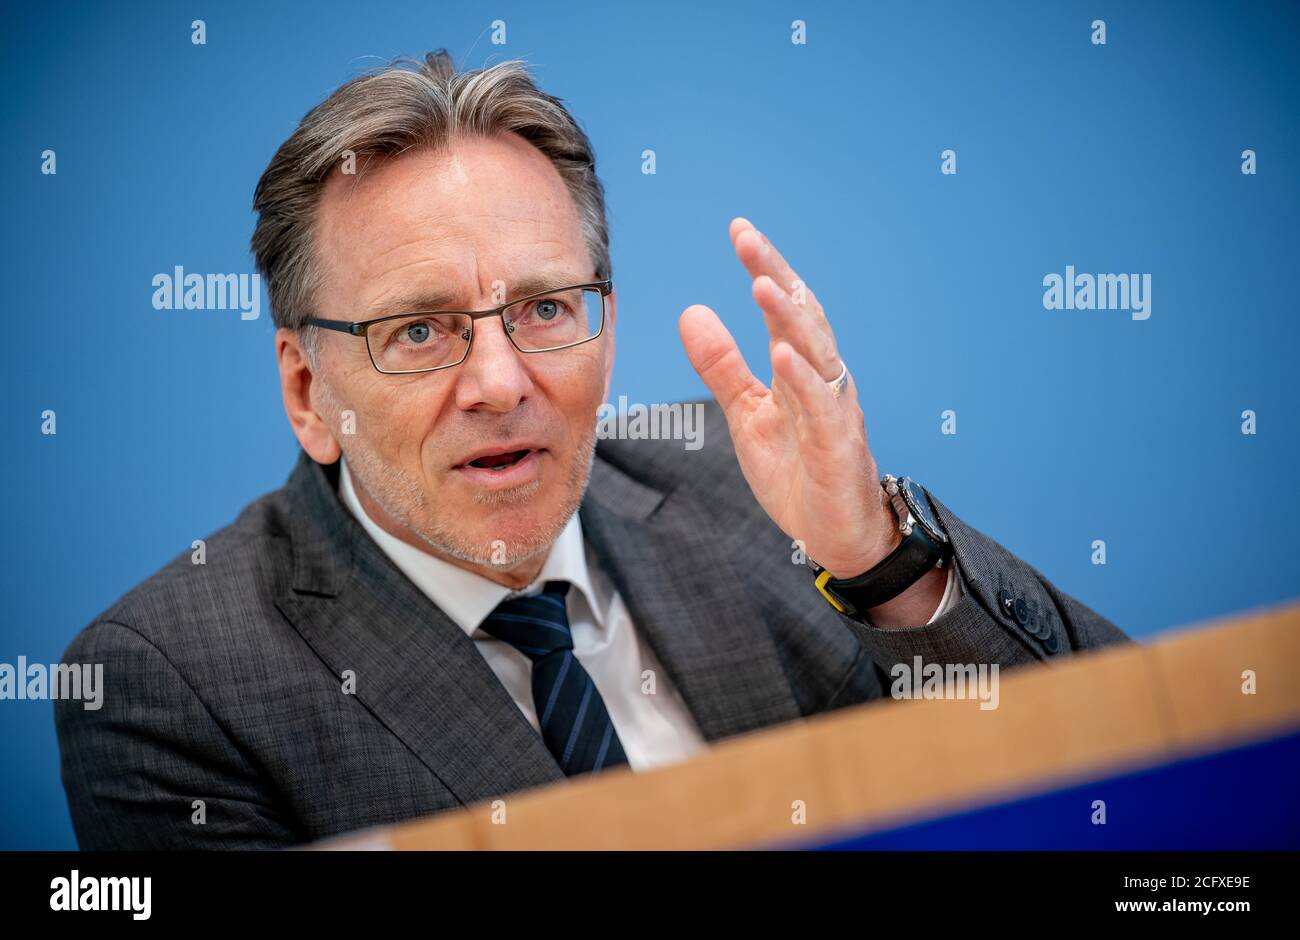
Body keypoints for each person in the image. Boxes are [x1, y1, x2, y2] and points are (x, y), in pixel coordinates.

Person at [55, 50, 1127, 849]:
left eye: (545, 307)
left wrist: (878, 559)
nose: (500, 382)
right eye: (418, 330)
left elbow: (1132, 783)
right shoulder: (174, 682)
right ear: (307, 388)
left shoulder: (748, 489)